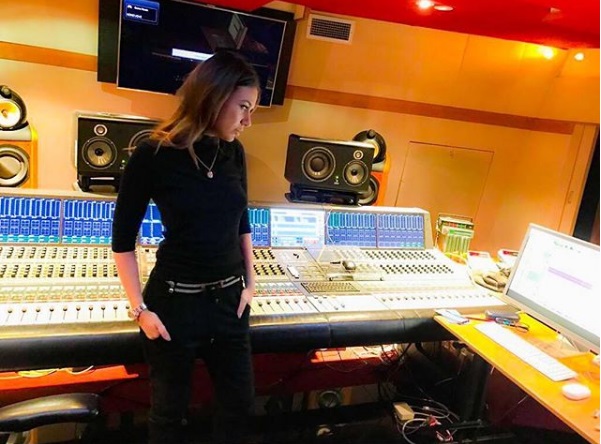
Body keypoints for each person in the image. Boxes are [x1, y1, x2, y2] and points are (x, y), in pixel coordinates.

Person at [111, 50, 259, 444]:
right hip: (174, 306)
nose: (248, 121)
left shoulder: (233, 152)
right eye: (243, 107)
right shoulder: (152, 154)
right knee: (169, 416)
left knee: (240, 407)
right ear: (214, 97)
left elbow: (241, 221)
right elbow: (122, 241)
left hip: (229, 303)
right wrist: (139, 309)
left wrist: (250, 282)